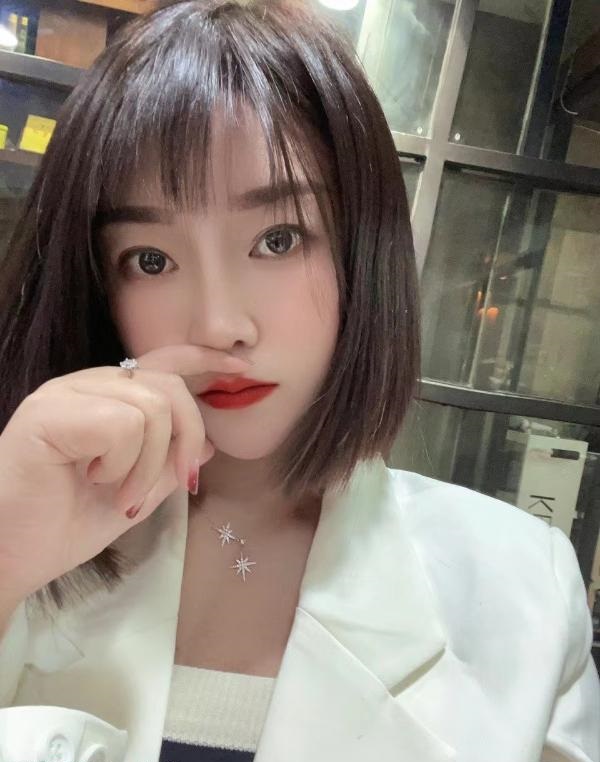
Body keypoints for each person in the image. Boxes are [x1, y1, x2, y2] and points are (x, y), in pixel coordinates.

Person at [0, 0, 598, 760]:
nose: (220, 324)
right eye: (151, 260)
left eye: (278, 240)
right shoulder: (21, 523)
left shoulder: (522, 591)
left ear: (361, 255)